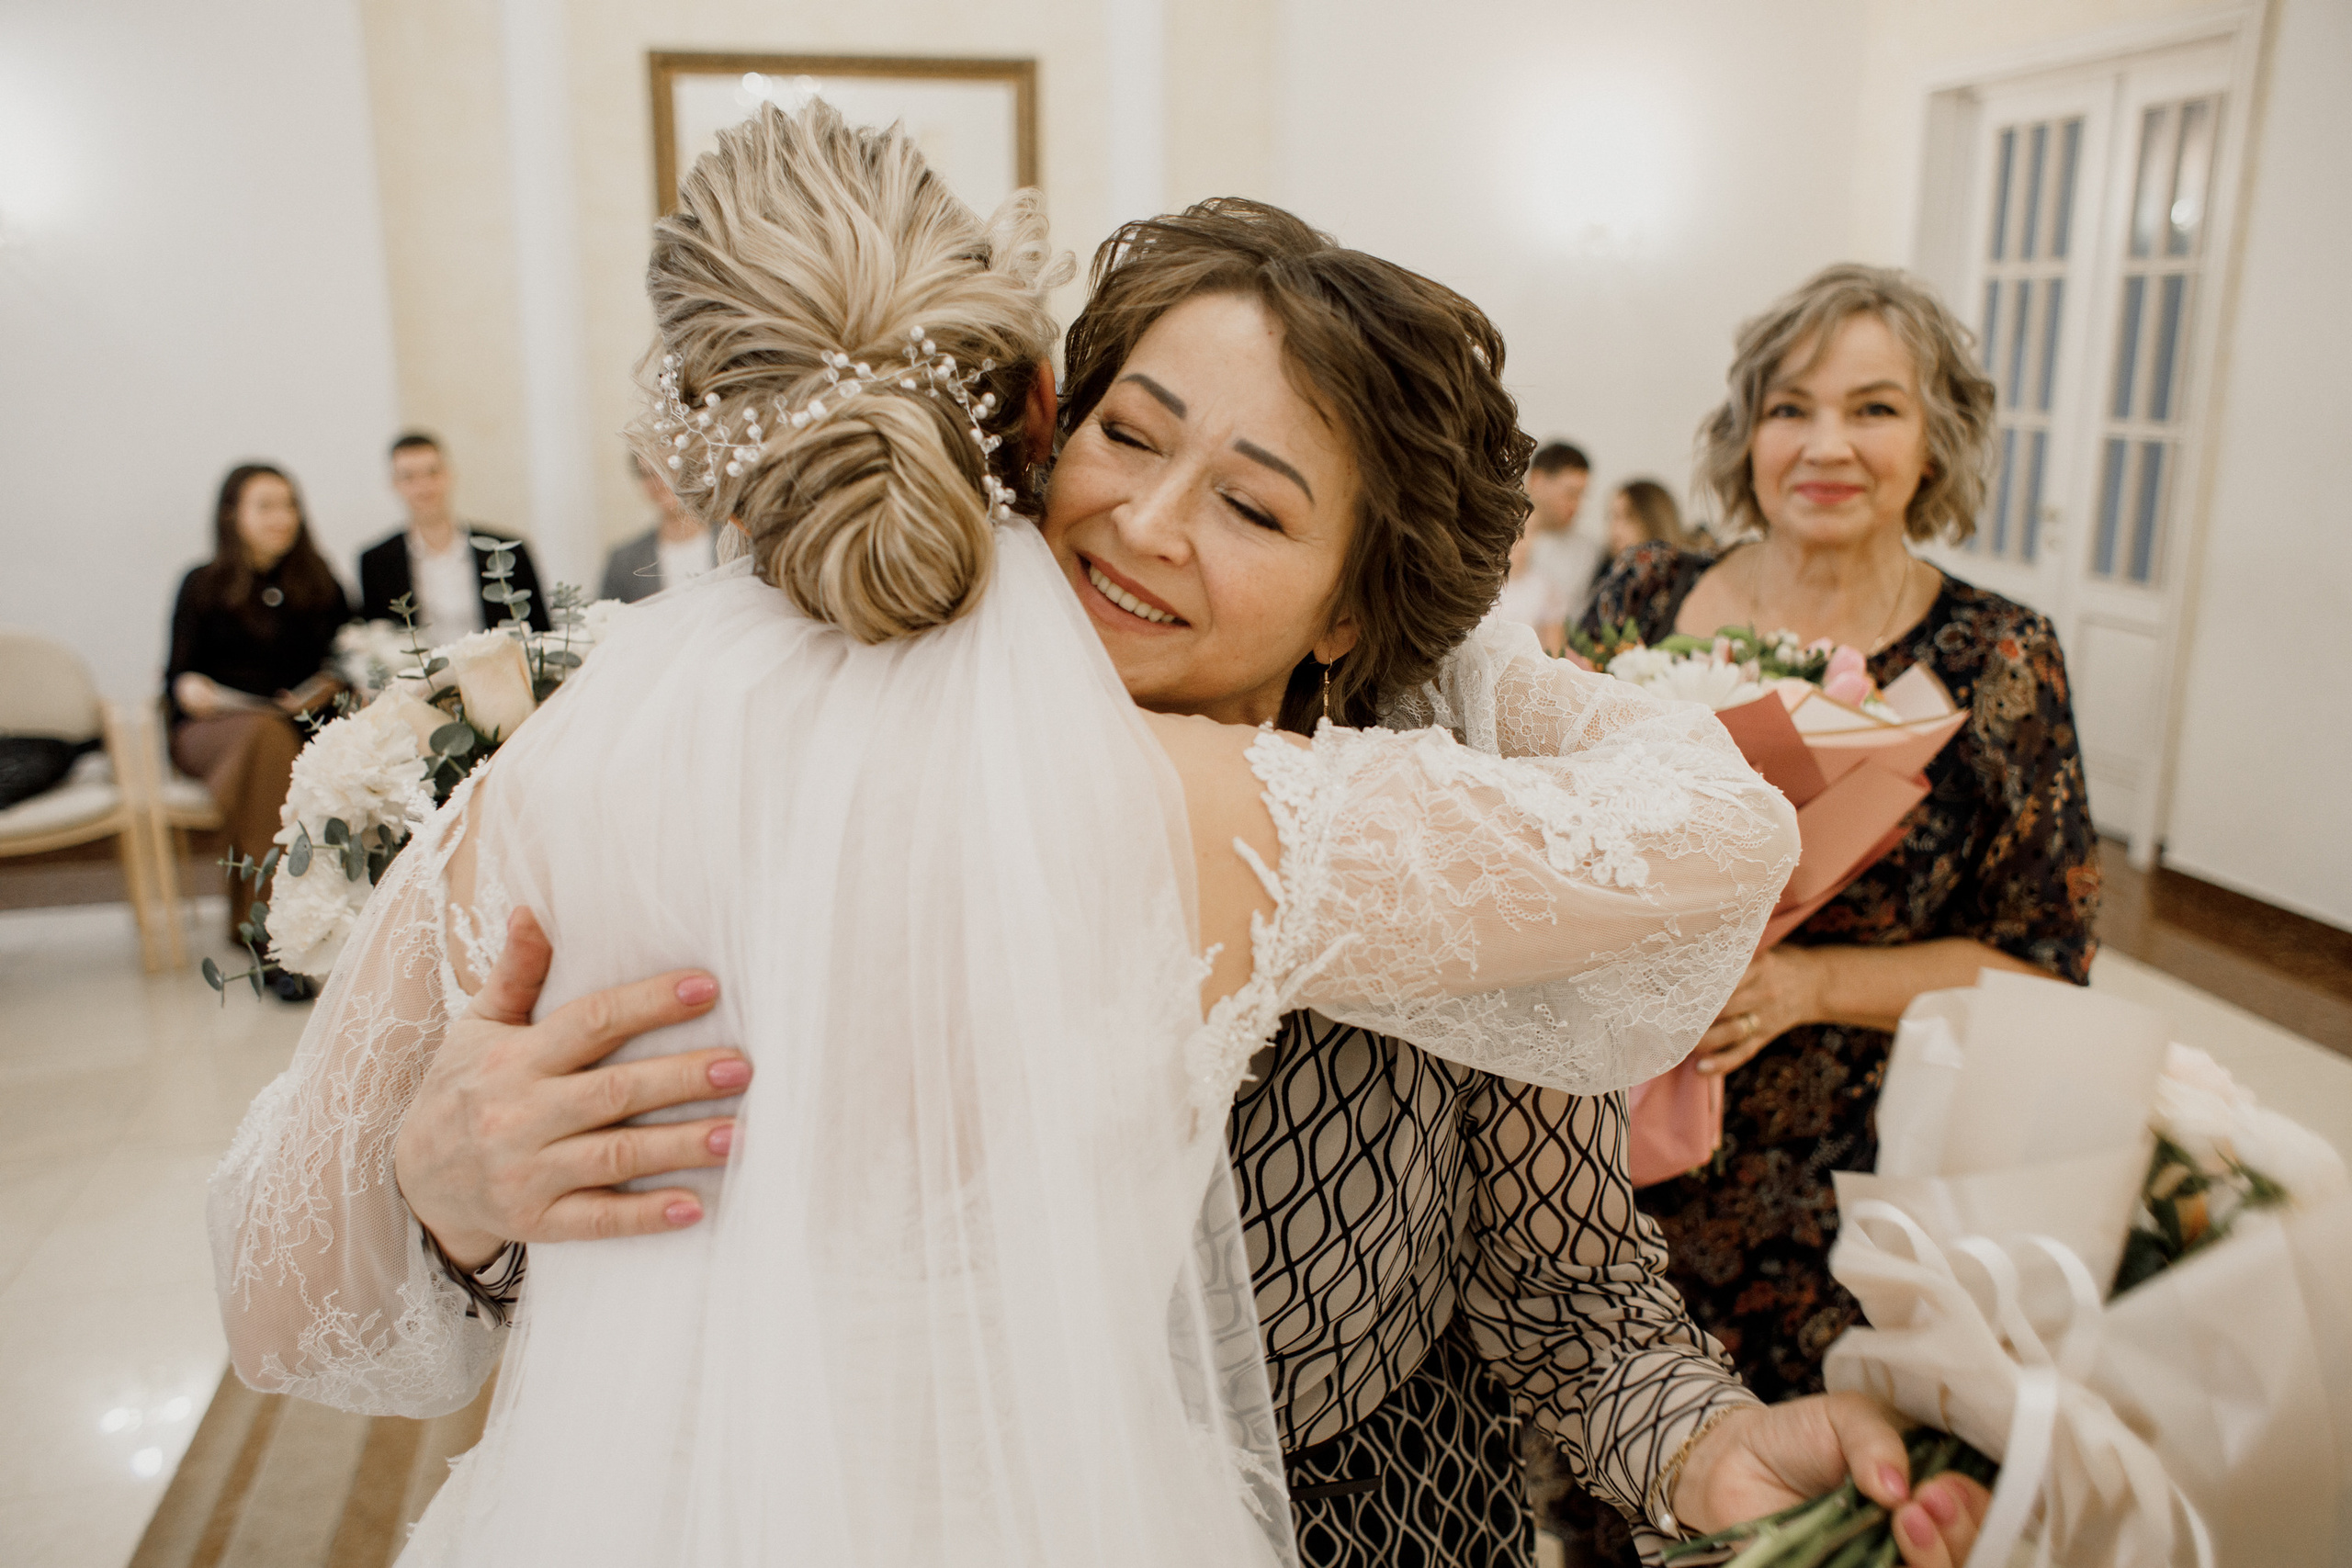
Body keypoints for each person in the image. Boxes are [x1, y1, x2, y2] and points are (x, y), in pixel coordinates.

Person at [211, 113, 1984, 1568]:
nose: (1141, 521)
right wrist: (444, 1192)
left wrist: (1713, 1455)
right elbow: (625, 1256)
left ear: (1357, 616)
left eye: (1253, 501)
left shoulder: (1417, 803)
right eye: (1126, 435)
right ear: (1031, 431)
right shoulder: (813, 783)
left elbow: (1577, 1300)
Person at [1551, 264, 2099, 1562]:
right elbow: (1548, 828)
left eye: (1876, 409)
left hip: (1852, 1177)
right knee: (1613, 1483)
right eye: (1792, 407)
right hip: (1612, 1151)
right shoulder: (1636, 595)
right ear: (1748, 433)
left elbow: (2041, 968)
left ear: (1937, 438)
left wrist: (1802, 984)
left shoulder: (2000, 655)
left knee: (1812, 1499)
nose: (1828, 445)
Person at [164, 463, 350, 992]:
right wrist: (192, 689)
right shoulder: (202, 584)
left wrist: (324, 687)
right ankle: (277, 936)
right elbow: (179, 676)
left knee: (278, 745)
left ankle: (264, 925)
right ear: (233, 515)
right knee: (265, 741)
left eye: (288, 504)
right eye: (265, 506)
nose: (281, 517)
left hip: (292, 730)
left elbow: (347, 660)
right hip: (214, 732)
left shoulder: (320, 583)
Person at [356, 433, 550, 641]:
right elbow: (379, 638)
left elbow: (540, 632)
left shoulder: (507, 550)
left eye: (432, 472)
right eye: (409, 477)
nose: (423, 486)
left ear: (449, 474)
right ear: (395, 484)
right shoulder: (376, 562)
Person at [599, 454, 715, 603]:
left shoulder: (738, 540)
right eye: (648, 474)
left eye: (667, 469)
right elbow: (604, 621)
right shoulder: (624, 561)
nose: (658, 482)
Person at [1523, 439, 1601, 628]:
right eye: (1570, 493)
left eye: (1582, 495)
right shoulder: (1496, 534)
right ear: (1537, 480)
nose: (1576, 505)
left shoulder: (1587, 550)